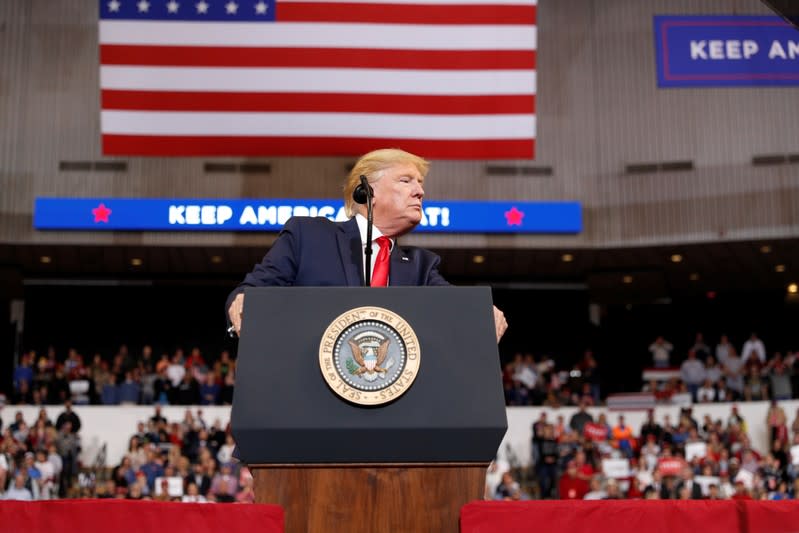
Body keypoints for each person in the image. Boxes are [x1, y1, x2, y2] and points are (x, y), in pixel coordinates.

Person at [226, 148, 507, 342]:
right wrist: (244, 302)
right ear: (366, 191)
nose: (420, 191)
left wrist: (480, 313)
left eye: (420, 183)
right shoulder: (308, 236)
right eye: (406, 180)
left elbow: (453, 308)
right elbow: (251, 291)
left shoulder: (422, 266)